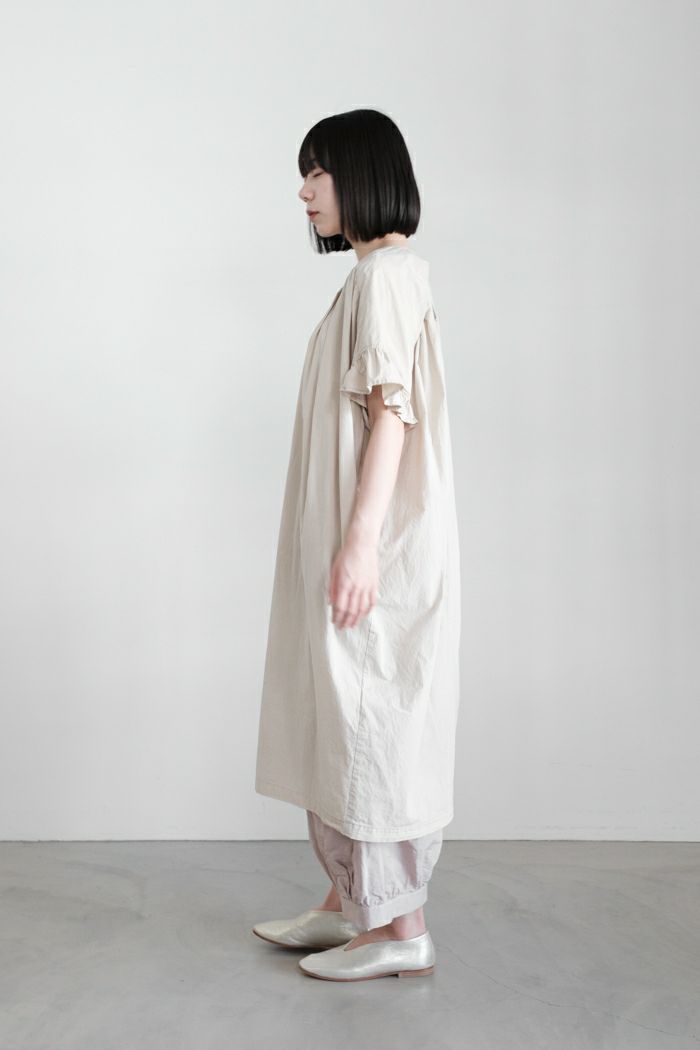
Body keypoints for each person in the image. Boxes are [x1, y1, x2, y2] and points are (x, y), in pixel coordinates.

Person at [252, 108, 461, 981]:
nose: (303, 191)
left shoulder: (385, 279)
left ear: (364, 175)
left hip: (376, 541)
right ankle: (349, 905)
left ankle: (399, 928)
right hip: (360, 535)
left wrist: (362, 543)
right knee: (344, 714)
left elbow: (391, 416)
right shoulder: (377, 277)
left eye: (319, 172)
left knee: (371, 716)